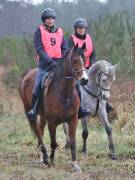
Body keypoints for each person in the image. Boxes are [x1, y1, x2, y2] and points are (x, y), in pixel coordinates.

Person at [26, 8, 68, 121]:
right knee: (37, 86)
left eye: (52, 18)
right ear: (43, 20)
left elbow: (65, 48)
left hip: (59, 65)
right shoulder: (39, 31)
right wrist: (51, 62)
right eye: (47, 19)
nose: (50, 21)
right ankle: (34, 109)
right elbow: (40, 49)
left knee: (75, 82)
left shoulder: (60, 32)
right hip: (45, 66)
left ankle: (80, 108)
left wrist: (62, 61)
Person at [68, 18, 114, 115]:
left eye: (83, 28)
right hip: (77, 69)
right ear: (75, 29)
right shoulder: (71, 39)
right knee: (78, 86)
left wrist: (92, 66)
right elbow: (72, 56)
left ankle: (105, 105)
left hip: (89, 68)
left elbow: (93, 54)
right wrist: (82, 68)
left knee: (101, 81)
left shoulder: (89, 38)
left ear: (86, 29)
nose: (81, 30)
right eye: (79, 28)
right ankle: (78, 107)